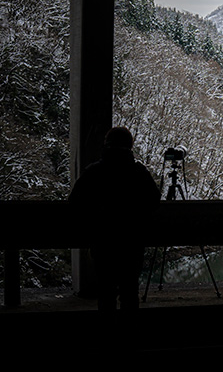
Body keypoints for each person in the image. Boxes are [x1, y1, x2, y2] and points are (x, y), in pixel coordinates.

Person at [69, 126, 160, 311]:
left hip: (103, 239)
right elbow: (154, 198)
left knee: (106, 291)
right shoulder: (139, 172)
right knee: (130, 291)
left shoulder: (94, 171)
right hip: (132, 239)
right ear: (130, 145)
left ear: (107, 144)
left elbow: (75, 200)